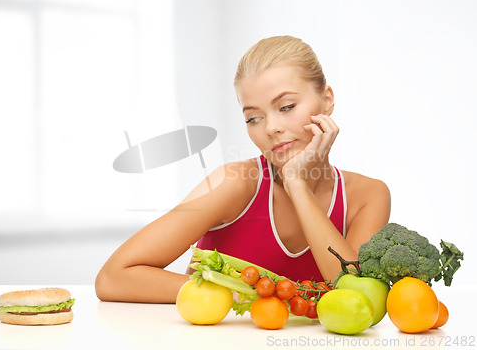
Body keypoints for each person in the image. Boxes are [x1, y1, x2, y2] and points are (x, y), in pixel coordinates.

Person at [95, 35, 391, 303]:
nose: (271, 128)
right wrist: (241, 295)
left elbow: (356, 298)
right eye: (253, 118)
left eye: (286, 106)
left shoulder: (367, 196)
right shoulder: (235, 184)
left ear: (327, 100)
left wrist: (297, 185)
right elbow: (113, 277)